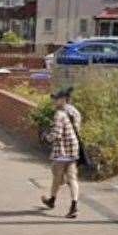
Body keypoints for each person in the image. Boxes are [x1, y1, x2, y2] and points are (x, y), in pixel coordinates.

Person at [40, 87, 81, 219]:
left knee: (57, 175)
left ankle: (52, 199)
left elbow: (56, 134)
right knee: (73, 178)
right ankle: (74, 205)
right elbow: (78, 128)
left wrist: (46, 137)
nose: (54, 101)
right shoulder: (74, 111)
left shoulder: (59, 114)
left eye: (56, 98)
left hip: (62, 149)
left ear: (63, 100)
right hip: (73, 148)